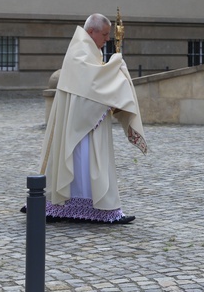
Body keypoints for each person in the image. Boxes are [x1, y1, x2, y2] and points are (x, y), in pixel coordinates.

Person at [34, 13, 147, 224]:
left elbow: (95, 82)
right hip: (78, 126)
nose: (107, 39)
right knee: (82, 161)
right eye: (104, 35)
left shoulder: (88, 49)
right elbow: (93, 84)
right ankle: (74, 208)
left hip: (85, 122)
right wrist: (116, 64)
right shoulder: (79, 51)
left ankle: (87, 208)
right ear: (91, 31)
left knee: (86, 163)